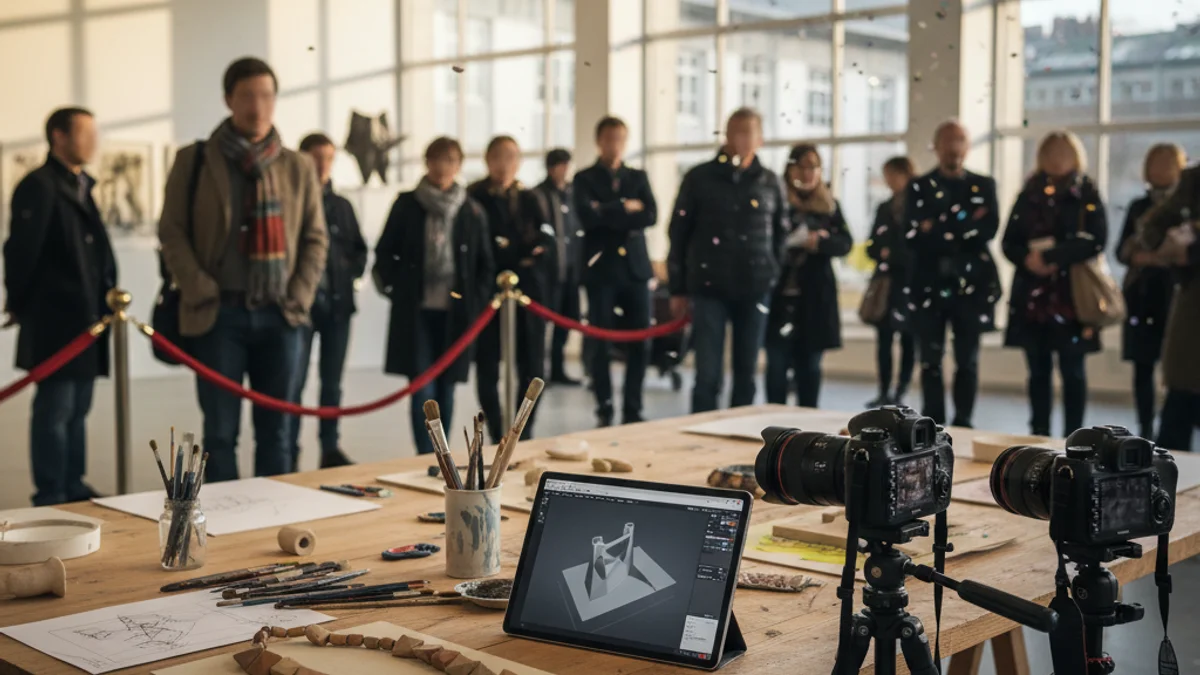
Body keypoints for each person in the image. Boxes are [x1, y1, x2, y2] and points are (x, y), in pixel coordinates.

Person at [159, 57, 328, 482]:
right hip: (219, 314)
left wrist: (299, 295)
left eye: (267, 95)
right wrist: (199, 287)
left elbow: (315, 238)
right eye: (248, 96)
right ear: (228, 99)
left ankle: (276, 521)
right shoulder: (194, 160)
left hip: (281, 314)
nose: (258, 106)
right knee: (219, 434)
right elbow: (172, 231)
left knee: (279, 433)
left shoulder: (297, 165)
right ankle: (227, 523)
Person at [3, 107, 116, 505]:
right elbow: (20, 253)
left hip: (87, 322)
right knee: (55, 410)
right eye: (85, 133)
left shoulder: (81, 184)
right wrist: (17, 303)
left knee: (78, 408)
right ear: (59, 136)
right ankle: (52, 493)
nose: (93, 142)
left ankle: (73, 485)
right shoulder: (40, 186)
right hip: (55, 323)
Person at [375, 137, 494, 455]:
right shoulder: (407, 203)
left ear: (459, 165)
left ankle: (442, 455)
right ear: (427, 163)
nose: (443, 167)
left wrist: (475, 301)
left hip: (456, 313)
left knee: (447, 387)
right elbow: (385, 252)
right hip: (416, 310)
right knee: (422, 388)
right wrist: (395, 287)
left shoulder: (470, 210)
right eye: (437, 160)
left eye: (451, 161)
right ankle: (425, 454)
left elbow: (485, 264)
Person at [668, 107, 785, 413]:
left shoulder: (771, 182)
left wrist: (772, 273)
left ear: (760, 139)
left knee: (746, 372)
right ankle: (703, 431)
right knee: (708, 373)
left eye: (750, 132)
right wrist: (678, 287)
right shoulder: (699, 178)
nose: (743, 139)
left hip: (756, 287)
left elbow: (780, 234)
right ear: (727, 135)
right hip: (708, 288)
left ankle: (739, 430)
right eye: (737, 131)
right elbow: (678, 232)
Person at [1001, 131, 1107, 437]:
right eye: (1051, 152)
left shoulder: (1086, 191)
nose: (1057, 159)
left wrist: (1051, 256)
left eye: (1064, 153)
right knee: (1037, 371)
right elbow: (1009, 241)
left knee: (1073, 371)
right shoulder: (1028, 192)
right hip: (1033, 299)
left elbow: (1096, 240)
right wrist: (1027, 259)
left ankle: (1076, 436)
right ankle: (1039, 431)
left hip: (1071, 297)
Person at [905, 120, 1001, 427]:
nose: (953, 147)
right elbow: (913, 234)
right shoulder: (919, 186)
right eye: (947, 140)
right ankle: (934, 423)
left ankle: (963, 420)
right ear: (936, 146)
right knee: (930, 361)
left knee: (967, 360)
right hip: (929, 284)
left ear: (967, 146)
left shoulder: (984, 185)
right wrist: (962, 224)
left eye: (959, 140)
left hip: (971, 285)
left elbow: (987, 230)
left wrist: (937, 226)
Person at [286, 133, 367, 469]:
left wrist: (347, 272)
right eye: (316, 156)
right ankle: (287, 447)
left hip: (337, 307)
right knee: (293, 380)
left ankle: (330, 446)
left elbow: (360, 250)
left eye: (328, 157)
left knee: (332, 381)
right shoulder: (291, 200)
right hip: (299, 309)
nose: (322, 164)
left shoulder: (342, 205)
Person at [469, 136, 556, 443]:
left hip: (528, 294)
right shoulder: (474, 196)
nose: (503, 164)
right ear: (487, 159)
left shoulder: (531, 198)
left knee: (532, 366)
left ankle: (522, 432)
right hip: (488, 296)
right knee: (487, 366)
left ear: (518, 162)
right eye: (498, 157)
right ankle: (495, 431)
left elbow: (545, 242)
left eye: (511, 157)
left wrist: (520, 251)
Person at [573, 117, 657, 426]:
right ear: (599, 141)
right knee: (600, 341)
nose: (615, 144)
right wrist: (625, 207)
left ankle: (633, 407)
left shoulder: (638, 175)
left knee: (641, 342)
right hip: (601, 271)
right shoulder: (584, 178)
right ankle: (604, 407)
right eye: (609, 138)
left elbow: (651, 215)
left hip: (635, 270)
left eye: (620, 138)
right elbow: (587, 217)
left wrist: (607, 208)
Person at [765, 144, 851, 408]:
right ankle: (775, 426)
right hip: (780, 297)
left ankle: (808, 428)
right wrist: (789, 242)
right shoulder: (776, 201)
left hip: (814, 299)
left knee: (810, 369)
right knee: (776, 367)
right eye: (802, 166)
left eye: (813, 167)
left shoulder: (829, 205)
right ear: (790, 169)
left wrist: (820, 243)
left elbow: (845, 243)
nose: (808, 173)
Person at [1116, 143, 1185, 440]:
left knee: (1178, 369)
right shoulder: (1138, 207)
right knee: (1142, 367)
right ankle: (1144, 428)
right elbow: (1124, 251)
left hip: (1176, 297)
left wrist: (1158, 255)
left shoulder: (1187, 208)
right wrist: (1157, 255)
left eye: (1167, 163)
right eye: (1155, 163)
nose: (1160, 169)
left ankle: (1175, 430)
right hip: (1142, 296)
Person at [1136, 157, 1200, 451]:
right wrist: (1178, 252)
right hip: (1194, 305)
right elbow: (1152, 224)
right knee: (1180, 403)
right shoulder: (1195, 178)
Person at [865, 156, 918, 407]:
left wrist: (892, 253)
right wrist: (885, 252)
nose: (889, 181)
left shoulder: (918, 208)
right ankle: (884, 389)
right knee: (884, 341)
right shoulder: (884, 208)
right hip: (886, 286)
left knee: (909, 340)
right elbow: (872, 246)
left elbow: (917, 250)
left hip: (910, 285)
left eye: (892, 175)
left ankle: (901, 390)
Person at [532, 148, 584, 387]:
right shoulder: (538, 195)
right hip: (547, 272)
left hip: (571, 269)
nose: (564, 170)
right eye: (560, 165)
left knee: (565, 321)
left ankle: (558, 368)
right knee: (542, 325)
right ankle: (539, 371)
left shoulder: (574, 194)